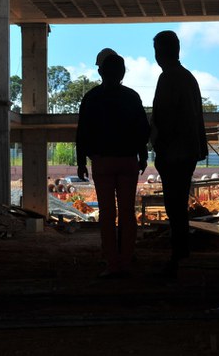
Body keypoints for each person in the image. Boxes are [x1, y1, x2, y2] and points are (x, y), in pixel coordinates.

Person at [76, 51, 150, 278]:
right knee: (127, 213)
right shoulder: (132, 97)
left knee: (107, 214)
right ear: (123, 73)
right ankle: (126, 261)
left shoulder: (91, 97)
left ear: (100, 72)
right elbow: (142, 130)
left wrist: (81, 162)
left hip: (102, 162)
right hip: (128, 161)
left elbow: (82, 132)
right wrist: (142, 156)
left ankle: (111, 263)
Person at [150, 30, 207, 278]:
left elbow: (164, 118)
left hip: (174, 153)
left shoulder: (168, 78)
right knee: (179, 205)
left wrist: (158, 144)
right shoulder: (188, 78)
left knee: (174, 206)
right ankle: (181, 254)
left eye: (157, 50)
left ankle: (179, 256)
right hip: (187, 152)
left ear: (161, 52)